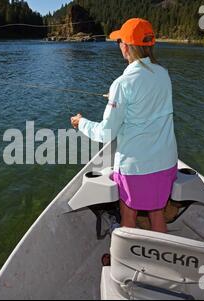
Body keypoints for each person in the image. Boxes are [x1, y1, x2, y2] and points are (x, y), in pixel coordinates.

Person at [71, 18, 178, 234]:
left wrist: (80, 122)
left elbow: (105, 133)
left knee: (128, 216)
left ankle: (125, 260)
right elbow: (148, 105)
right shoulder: (163, 74)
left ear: (126, 47)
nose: (119, 45)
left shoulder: (122, 84)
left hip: (137, 168)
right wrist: (116, 100)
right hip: (166, 162)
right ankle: (160, 257)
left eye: (120, 41)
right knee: (156, 212)